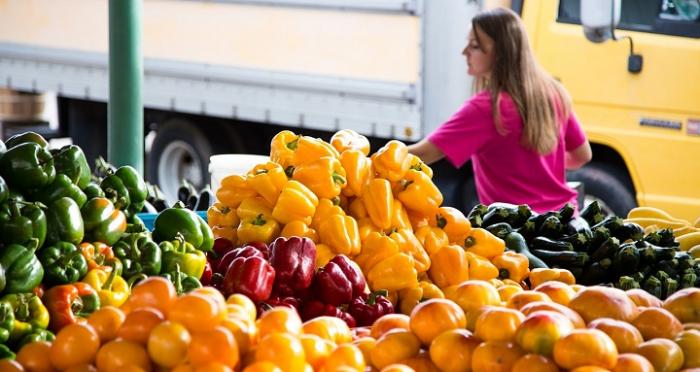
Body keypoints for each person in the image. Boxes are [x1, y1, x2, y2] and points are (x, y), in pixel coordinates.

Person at [408, 7, 592, 213]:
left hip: (517, 230)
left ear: (501, 53)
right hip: (564, 221)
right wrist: (542, 168)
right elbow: (582, 155)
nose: (464, 52)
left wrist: (368, 157)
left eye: (475, 46)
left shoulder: (486, 107)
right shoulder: (553, 93)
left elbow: (423, 154)